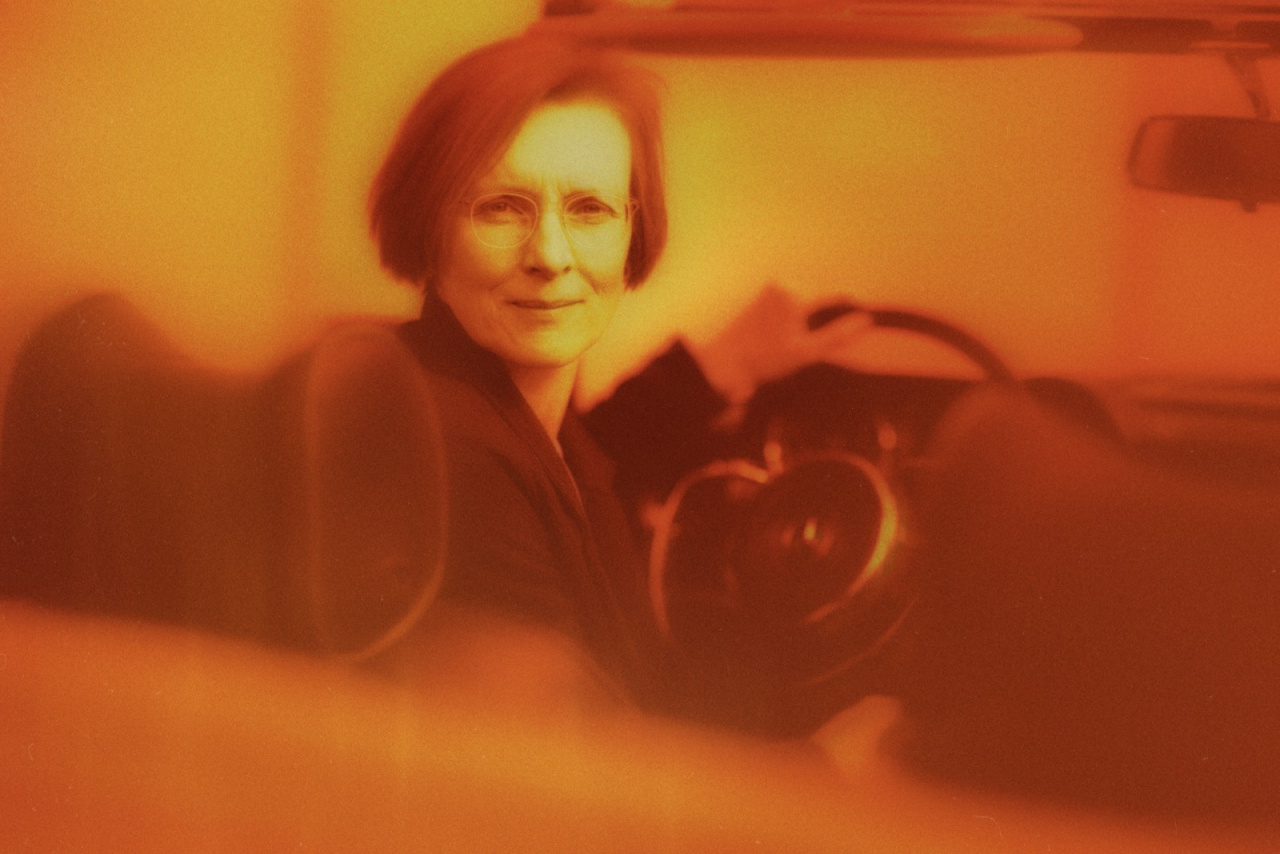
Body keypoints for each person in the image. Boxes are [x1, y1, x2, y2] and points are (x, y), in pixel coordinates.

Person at [365, 36, 869, 723]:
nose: (550, 255)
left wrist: (728, 364)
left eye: (589, 209)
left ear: (632, 226)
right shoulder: (453, 452)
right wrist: (815, 762)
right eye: (500, 207)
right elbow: (590, 748)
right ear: (429, 230)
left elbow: (588, 465)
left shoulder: (503, 403)